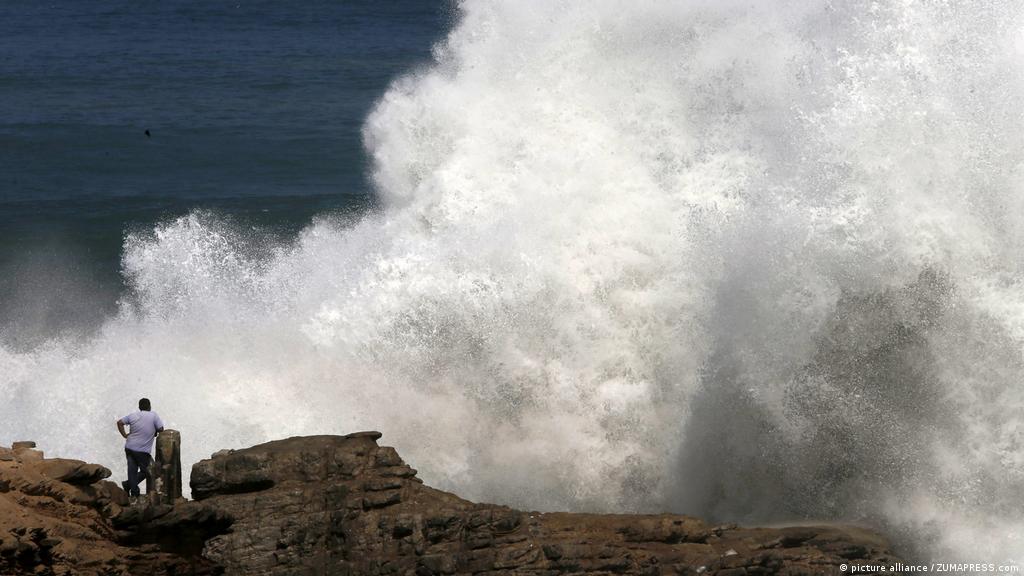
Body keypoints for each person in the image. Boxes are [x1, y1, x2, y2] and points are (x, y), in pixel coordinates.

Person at [116, 398, 164, 503]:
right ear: (149, 406)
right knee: (151, 469)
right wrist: (153, 430)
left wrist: (125, 435)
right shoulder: (153, 415)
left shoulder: (133, 415)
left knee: (132, 470)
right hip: (142, 450)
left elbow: (119, 423)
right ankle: (128, 485)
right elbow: (161, 429)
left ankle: (133, 493)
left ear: (139, 407)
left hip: (129, 447)